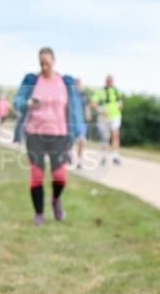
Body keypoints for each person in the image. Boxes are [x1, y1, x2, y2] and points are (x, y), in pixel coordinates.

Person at [13, 47, 86, 225]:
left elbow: (76, 110)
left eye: (47, 63)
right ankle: (39, 214)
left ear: (54, 61)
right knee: (37, 175)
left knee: (60, 176)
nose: (44, 67)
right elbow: (17, 102)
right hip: (34, 133)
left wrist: (80, 133)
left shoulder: (65, 82)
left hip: (59, 135)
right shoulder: (32, 81)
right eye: (41, 63)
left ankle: (56, 200)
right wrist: (28, 103)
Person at [91, 75, 124, 165]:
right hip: (104, 117)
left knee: (115, 135)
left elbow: (121, 103)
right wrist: (100, 110)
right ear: (106, 82)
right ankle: (104, 156)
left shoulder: (117, 91)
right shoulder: (100, 91)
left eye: (111, 81)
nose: (110, 83)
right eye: (108, 81)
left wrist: (120, 105)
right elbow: (93, 103)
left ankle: (115, 156)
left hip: (115, 116)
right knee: (105, 137)